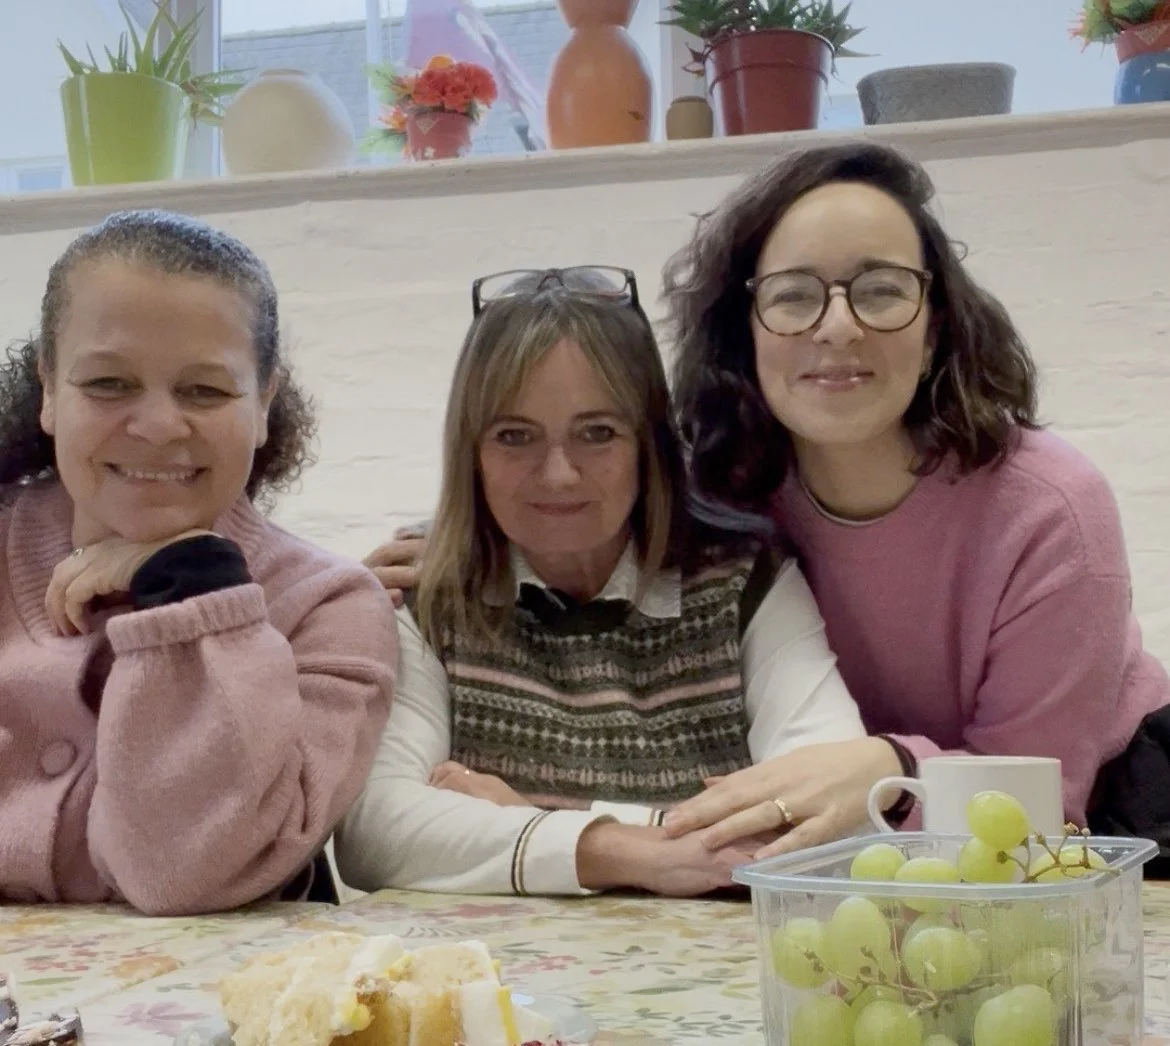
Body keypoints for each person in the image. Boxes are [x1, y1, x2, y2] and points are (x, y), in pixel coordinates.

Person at [655, 140, 1169, 859]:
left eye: (882, 290)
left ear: (935, 331)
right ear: (746, 336)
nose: (837, 327)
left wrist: (893, 766)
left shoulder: (1051, 509)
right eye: (794, 295)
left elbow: (1032, 810)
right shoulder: (717, 488)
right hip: (847, 824)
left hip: (1100, 820)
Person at [335, 266, 867, 897]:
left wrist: (530, 822)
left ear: (648, 444)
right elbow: (374, 836)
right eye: (514, 436)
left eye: (597, 434)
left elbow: (826, 824)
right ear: (469, 451)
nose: (558, 475)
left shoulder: (744, 582)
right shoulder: (423, 590)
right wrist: (624, 851)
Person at [0, 210, 397, 916]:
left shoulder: (331, 607)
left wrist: (192, 589)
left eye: (205, 391)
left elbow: (186, 874)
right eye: (108, 384)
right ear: (50, 391)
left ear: (264, 403)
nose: (157, 426)